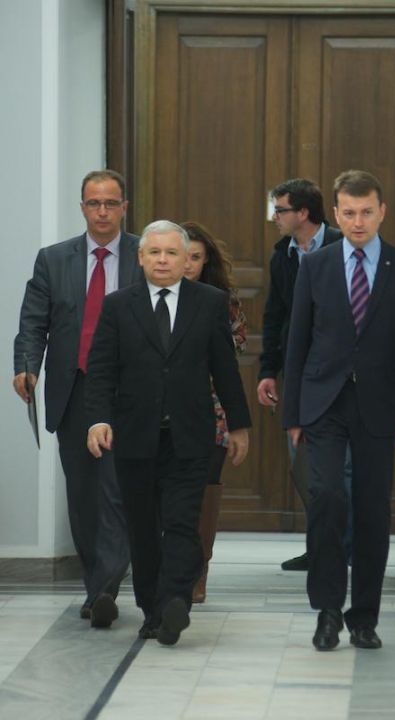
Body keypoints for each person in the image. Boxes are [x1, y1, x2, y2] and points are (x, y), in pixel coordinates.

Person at [283, 170, 395, 651]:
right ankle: (327, 611)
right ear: (335, 212)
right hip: (323, 402)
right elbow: (297, 342)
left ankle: (364, 616)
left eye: (367, 211)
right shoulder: (316, 266)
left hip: (380, 404)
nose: (358, 221)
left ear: (382, 211)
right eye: (348, 212)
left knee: (371, 510)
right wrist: (292, 415)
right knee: (327, 496)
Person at [85, 220, 251, 646]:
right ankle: (151, 610)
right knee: (143, 527)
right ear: (140, 257)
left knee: (181, 521)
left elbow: (225, 369)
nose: (163, 260)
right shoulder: (118, 305)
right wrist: (98, 420)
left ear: (185, 260)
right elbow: (101, 370)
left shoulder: (209, 302)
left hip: (190, 435)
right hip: (135, 435)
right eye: (155, 252)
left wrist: (238, 425)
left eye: (172, 253)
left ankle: (175, 599)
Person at [13, 169, 141, 628]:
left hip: (128, 391)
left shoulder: (143, 254)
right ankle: (96, 585)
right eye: (94, 203)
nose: (102, 212)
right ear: (82, 207)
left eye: (111, 203)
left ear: (124, 207)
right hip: (74, 389)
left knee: (117, 489)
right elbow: (34, 321)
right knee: (84, 494)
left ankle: (106, 587)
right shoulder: (54, 260)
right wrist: (27, 365)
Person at [256, 178, 350, 571]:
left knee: (343, 467)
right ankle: (322, 546)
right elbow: (275, 315)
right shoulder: (283, 255)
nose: (274, 218)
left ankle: (345, 546)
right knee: (305, 464)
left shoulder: (342, 248)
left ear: (304, 213)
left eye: (280, 210)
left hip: (342, 374)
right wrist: (268, 370)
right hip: (300, 372)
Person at [181, 221, 247, 604]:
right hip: (164, 408)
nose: (188, 264)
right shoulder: (151, 298)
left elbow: (234, 349)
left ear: (206, 261)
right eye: (183, 255)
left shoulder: (222, 301)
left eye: (196, 257)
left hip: (213, 407)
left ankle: (199, 569)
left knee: (206, 488)